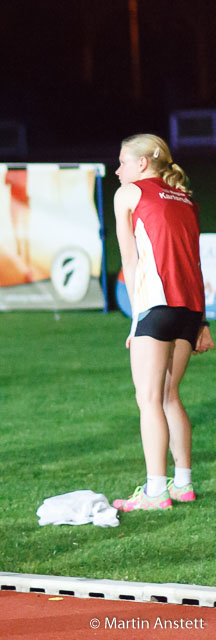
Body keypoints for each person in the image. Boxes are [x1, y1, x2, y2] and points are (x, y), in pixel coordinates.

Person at [111, 133, 213, 512]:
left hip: (156, 307)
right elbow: (194, 263)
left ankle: (156, 491)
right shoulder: (185, 198)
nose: (117, 170)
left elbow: (131, 261)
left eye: (122, 162)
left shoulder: (129, 194)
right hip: (188, 310)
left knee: (149, 398)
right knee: (170, 396)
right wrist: (202, 322)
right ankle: (183, 484)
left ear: (141, 164)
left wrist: (137, 321)